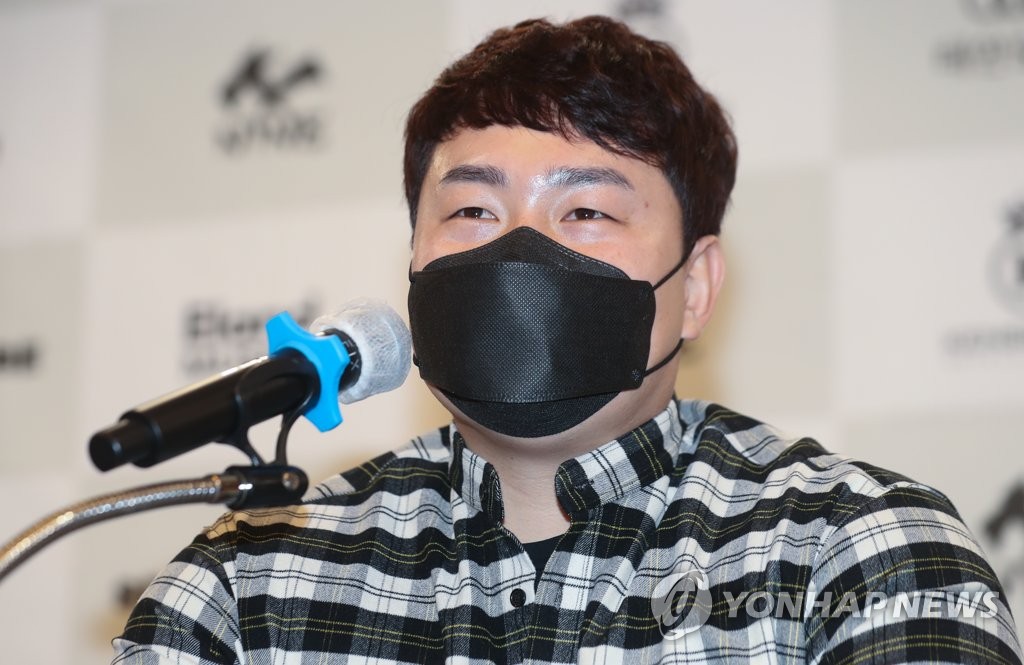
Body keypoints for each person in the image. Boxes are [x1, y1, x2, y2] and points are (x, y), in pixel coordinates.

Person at [113, 16, 1022, 664]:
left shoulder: (858, 551)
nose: (519, 253)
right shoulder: (252, 583)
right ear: (414, 260)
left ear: (696, 285)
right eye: (472, 210)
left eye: (586, 211)